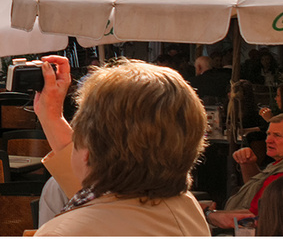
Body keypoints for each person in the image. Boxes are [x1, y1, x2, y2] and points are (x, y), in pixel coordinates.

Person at [30, 54, 208, 236]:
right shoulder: (185, 207)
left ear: (89, 153)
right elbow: (109, 195)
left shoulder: (63, 233)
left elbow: (100, 191)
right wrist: (51, 115)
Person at [209, 114, 283, 229]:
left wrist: (209, 215)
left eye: (277, 135)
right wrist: (248, 164)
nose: (268, 140)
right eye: (268, 134)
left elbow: (254, 216)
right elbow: (258, 190)